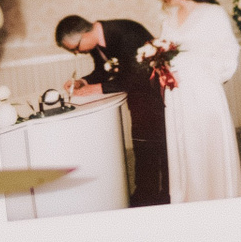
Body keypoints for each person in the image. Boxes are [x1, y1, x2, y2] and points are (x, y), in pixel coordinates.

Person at [153, 0, 241, 203]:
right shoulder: (169, 17)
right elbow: (164, 50)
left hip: (203, 90)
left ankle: (219, 196)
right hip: (177, 94)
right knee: (186, 147)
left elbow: (228, 52)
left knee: (208, 145)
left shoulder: (212, 13)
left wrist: (203, 73)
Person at [56, 13, 169, 206]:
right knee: (143, 147)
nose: (77, 53)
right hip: (139, 98)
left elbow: (137, 76)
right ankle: (146, 195)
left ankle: (167, 196)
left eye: (75, 49)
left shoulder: (126, 33)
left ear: (84, 35)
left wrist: (98, 88)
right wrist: (83, 82)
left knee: (163, 148)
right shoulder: (96, 42)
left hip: (156, 94)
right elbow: (102, 70)